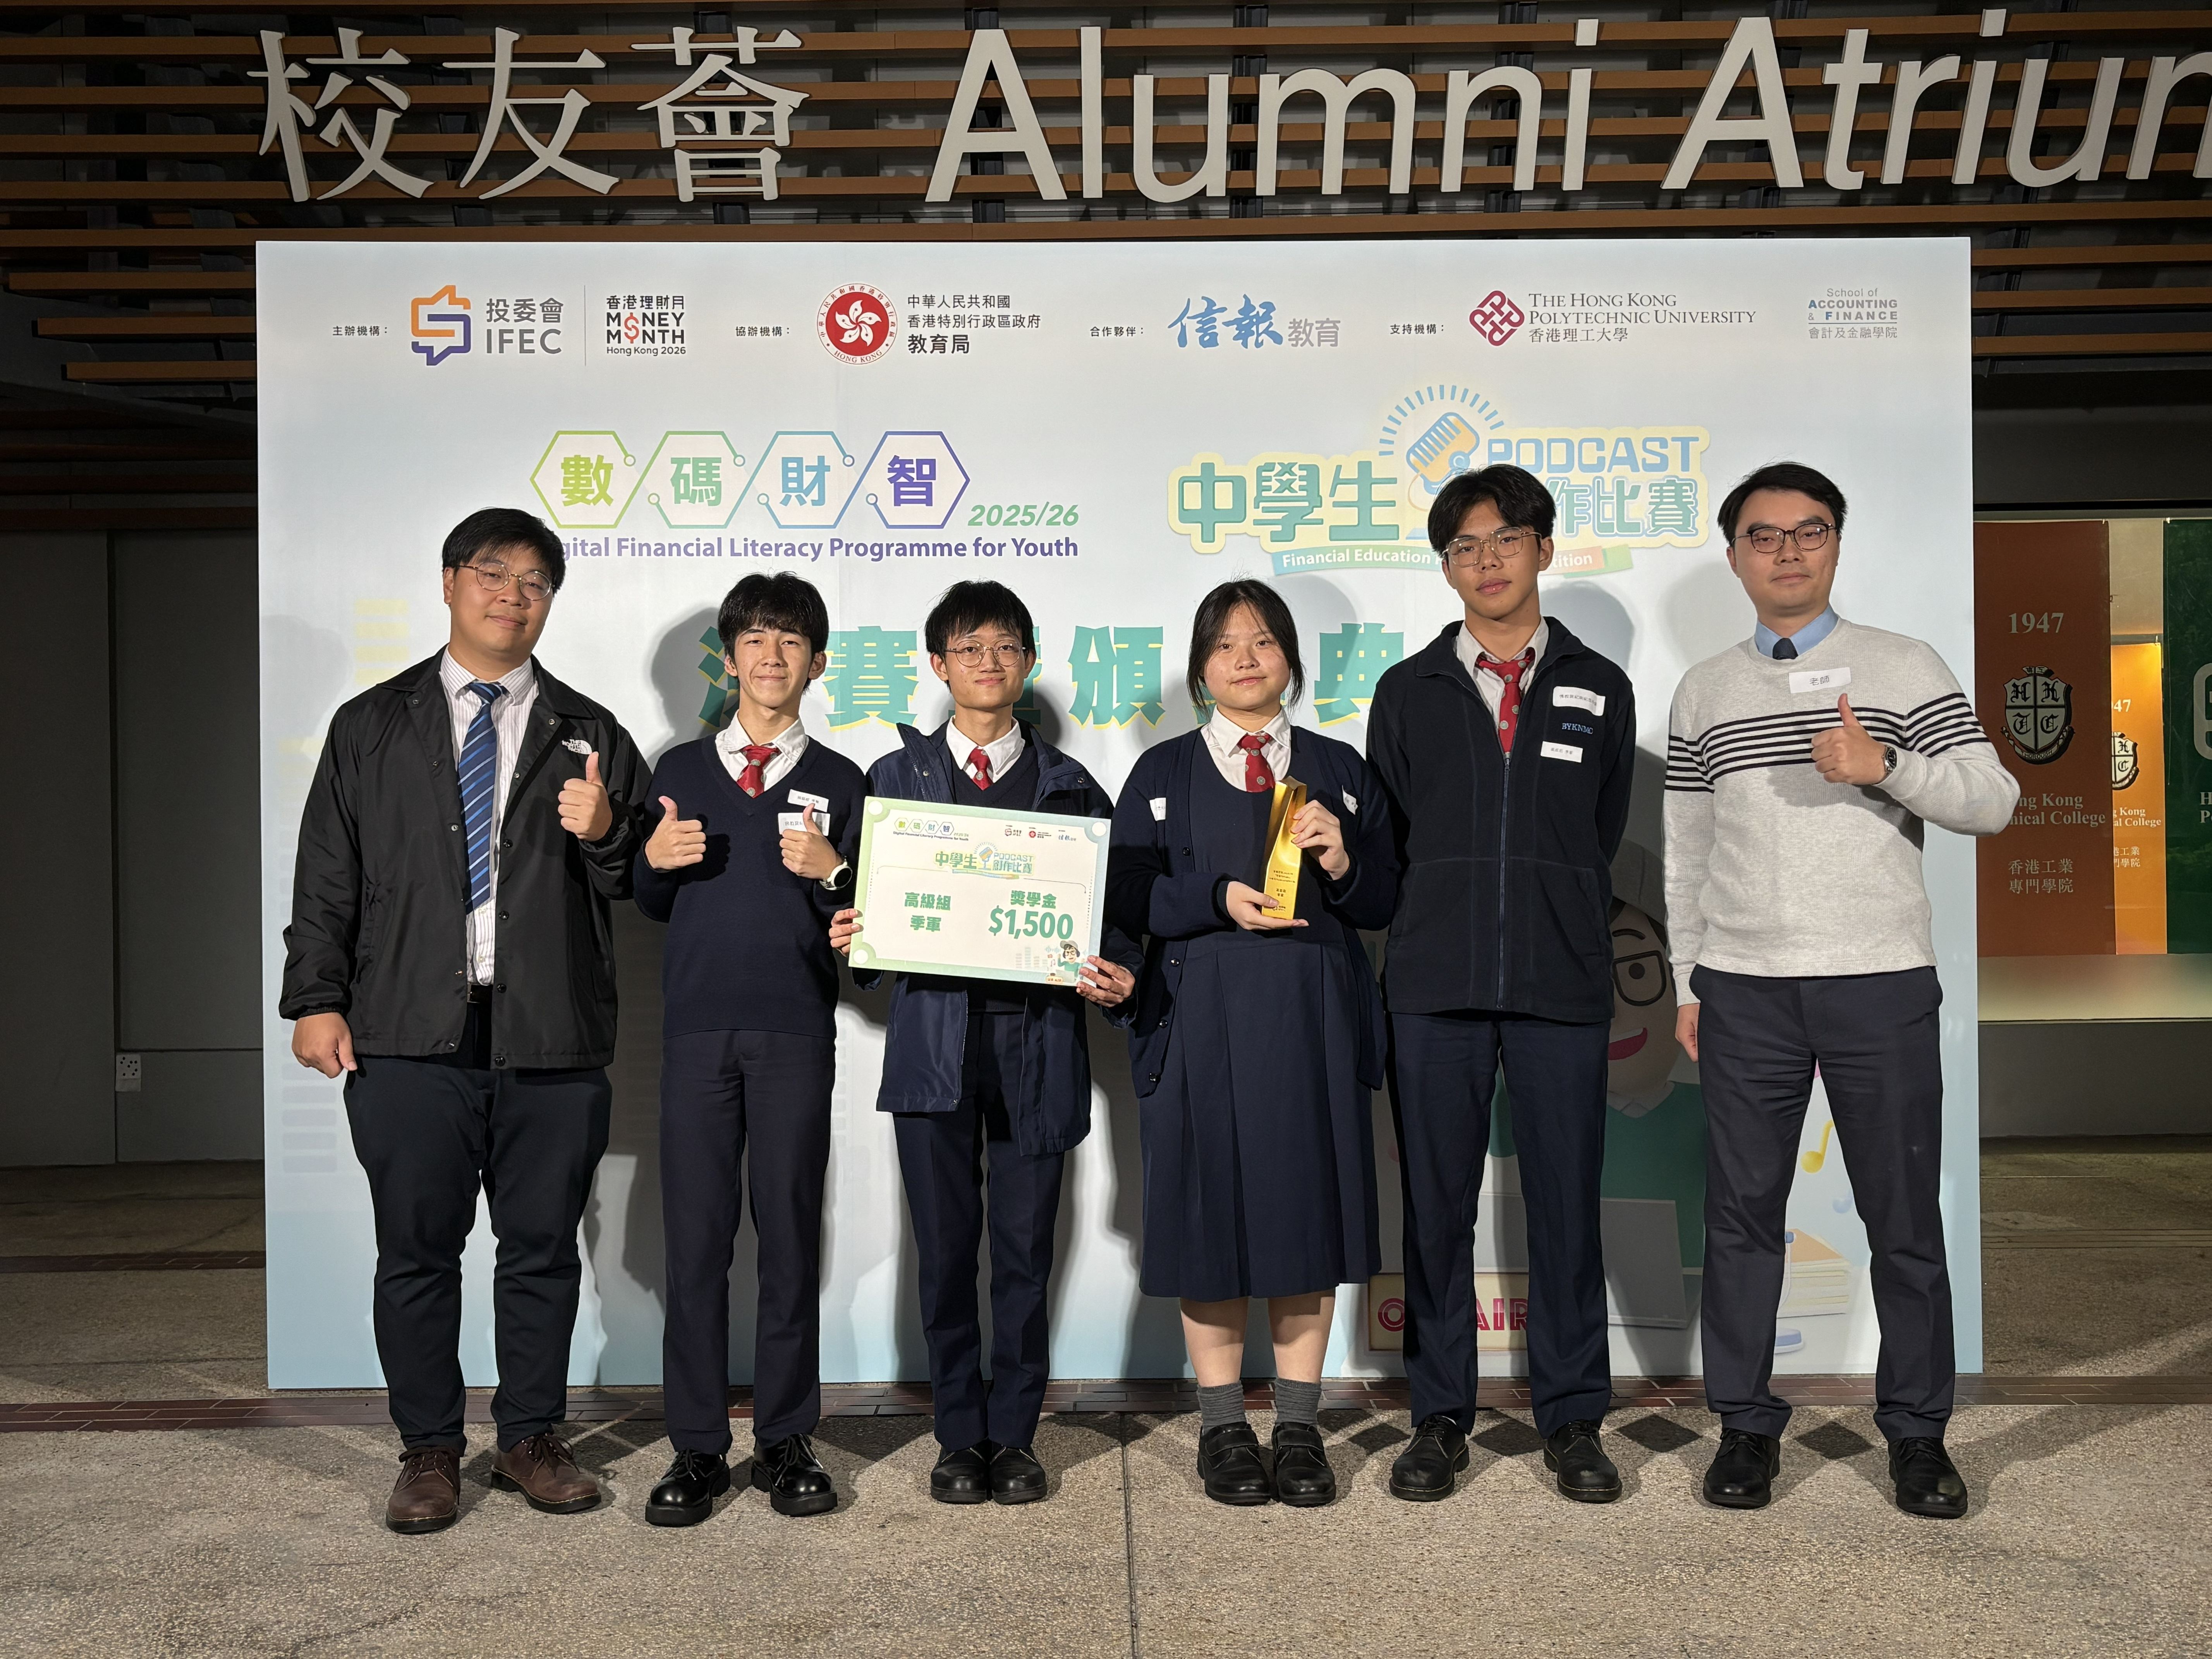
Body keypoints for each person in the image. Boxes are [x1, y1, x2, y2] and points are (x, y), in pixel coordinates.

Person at [280, 507, 651, 1534]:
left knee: (542, 1250)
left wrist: (607, 831)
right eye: (493, 573)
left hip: (551, 1034)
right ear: (449, 582)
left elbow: (638, 880)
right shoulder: (370, 724)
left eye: (535, 582)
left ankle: (531, 1436)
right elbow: (327, 873)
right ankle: (430, 1451)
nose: (512, 596)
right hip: (405, 1030)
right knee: (415, 1252)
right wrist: (315, 997)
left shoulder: (592, 732)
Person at [1666, 460, 2018, 1519]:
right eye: (1764, 535)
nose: (1787, 552)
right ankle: (1744, 1426)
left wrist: (1888, 768)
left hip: (1879, 981)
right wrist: (1686, 981)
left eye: (1809, 531)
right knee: (1741, 1219)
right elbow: (1686, 853)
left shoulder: (1902, 665)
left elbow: (1993, 800)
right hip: (1744, 988)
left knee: (1902, 1218)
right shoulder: (1705, 690)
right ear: (1736, 556)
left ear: (1836, 543)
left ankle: (1918, 1434)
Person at [830, 581, 1139, 1506]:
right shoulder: (894, 781)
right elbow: (871, 925)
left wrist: (1115, 968)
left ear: (1029, 662)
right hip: (934, 1047)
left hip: (1038, 1046)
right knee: (945, 1251)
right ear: (938, 665)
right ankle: (958, 1436)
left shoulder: (1072, 786)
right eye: (969, 649)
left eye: (1005, 647)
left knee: (1023, 1255)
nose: (988, 664)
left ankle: (1015, 1436)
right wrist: (855, 937)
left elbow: (1112, 917)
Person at [1365, 464, 1636, 1505]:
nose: (1486, 561)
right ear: (1447, 569)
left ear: (1544, 549)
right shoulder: (1408, 690)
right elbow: (1393, 839)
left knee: (1567, 1207)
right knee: (1437, 1211)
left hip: (1561, 980)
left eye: (1505, 540)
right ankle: (1440, 1417)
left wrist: (1546, 907)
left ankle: (1573, 1418)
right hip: (1434, 984)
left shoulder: (1599, 686)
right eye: (1464, 547)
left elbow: (1597, 833)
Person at [1106, 579, 1397, 1508]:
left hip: (1314, 1022)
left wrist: (1342, 857)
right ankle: (1224, 1426)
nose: (1245, 658)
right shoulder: (1161, 774)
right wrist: (1213, 898)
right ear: (1200, 669)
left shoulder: (1338, 768)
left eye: (1264, 641)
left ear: (1291, 662)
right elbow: (1123, 894)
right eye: (1225, 644)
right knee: (1211, 1222)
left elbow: (1387, 899)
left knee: (1307, 1219)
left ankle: (1301, 1427)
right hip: (1198, 1021)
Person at [632, 573, 867, 1525]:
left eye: (792, 641)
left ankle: (785, 1439)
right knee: (695, 1244)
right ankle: (696, 1446)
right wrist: (651, 864)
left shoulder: (845, 781)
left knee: (789, 1239)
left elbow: (867, 925)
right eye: (756, 641)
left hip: (796, 1031)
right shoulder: (680, 770)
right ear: (728, 661)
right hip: (696, 1034)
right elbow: (652, 901)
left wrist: (836, 873)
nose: (773, 657)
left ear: (818, 662)